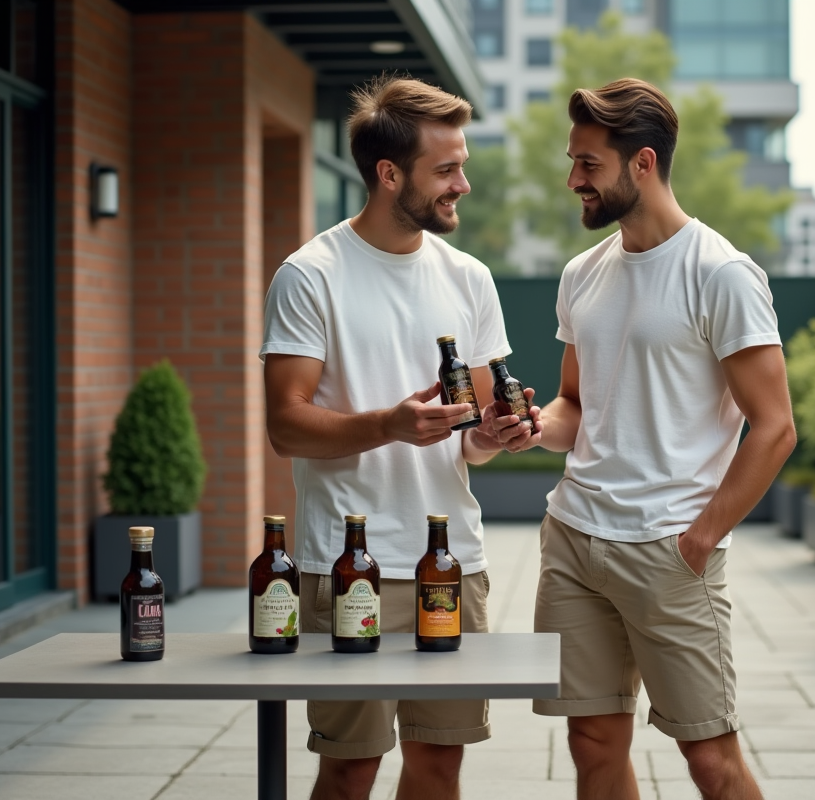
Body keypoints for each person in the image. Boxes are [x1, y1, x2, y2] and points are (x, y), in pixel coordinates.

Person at [494, 78, 797, 800]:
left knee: (710, 759)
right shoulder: (583, 273)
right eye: (572, 162)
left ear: (643, 163)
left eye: (588, 165)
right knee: (592, 739)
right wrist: (534, 430)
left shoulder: (720, 273)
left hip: (667, 550)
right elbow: (575, 404)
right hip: (573, 540)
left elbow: (776, 426)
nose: (573, 180)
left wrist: (698, 540)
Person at [261, 76, 526, 800]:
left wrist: (495, 435)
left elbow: (468, 438)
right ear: (388, 174)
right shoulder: (310, 275)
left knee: (440, 763)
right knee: (350, 770)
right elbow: (285, 424)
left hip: (451, 562)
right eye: (446, 170)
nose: (463, 185)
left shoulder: (469, 278)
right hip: (352, 562)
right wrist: (388, 424)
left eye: (461, 165)